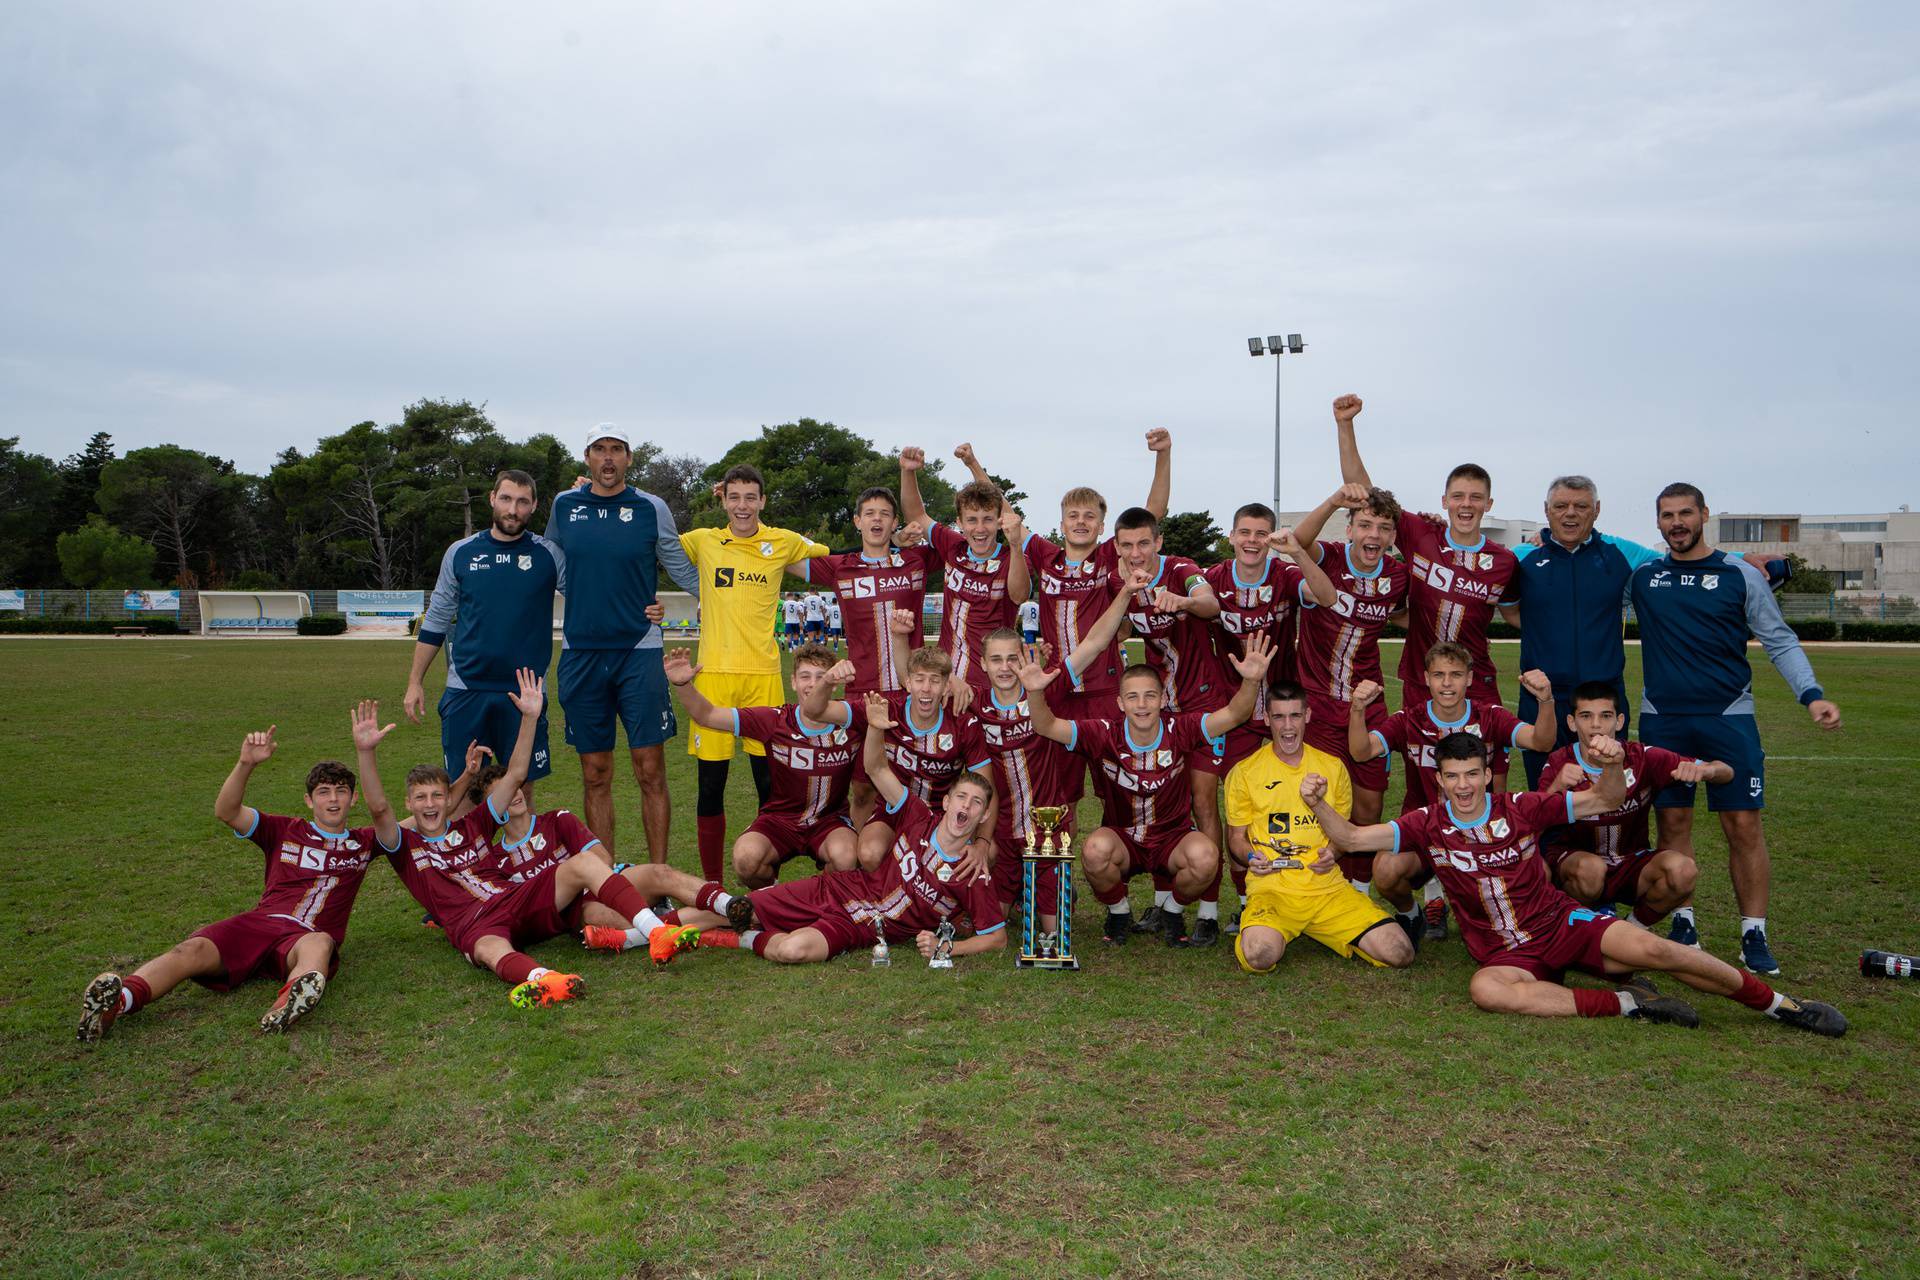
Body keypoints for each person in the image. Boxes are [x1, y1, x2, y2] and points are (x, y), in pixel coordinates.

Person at [1312, 733, 1846, 1035]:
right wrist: (1317, 806)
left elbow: (1602, 800)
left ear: (1485, 772)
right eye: (1452, 776)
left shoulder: (1519, 806)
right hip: (1502, 954)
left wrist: (1611, 767)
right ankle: (1631, 1005)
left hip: (1559, 924)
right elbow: (1355, 839)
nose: (1464, 785)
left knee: (1661, 951)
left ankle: (1781, 1006)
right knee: (1485, 991)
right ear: (1440, 779)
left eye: (1472, 774)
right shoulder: (1428, 822)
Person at [78, 710, 399, 1043]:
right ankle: (117, 1003)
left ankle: (288, 1003)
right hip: (260, 924)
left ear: (353, 798)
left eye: (341, 791)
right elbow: (226, 811)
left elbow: (412, 819)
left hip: (304, 939)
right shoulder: (284, 829)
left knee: (321, 942)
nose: (333, 799)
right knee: (190, 949)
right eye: (324, 791)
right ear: (308, 800)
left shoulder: (365, 841)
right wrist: (246, 764)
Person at [1629, 483, 1843, 973]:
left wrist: (1811, 695)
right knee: (1674, 823)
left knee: (1743, 825)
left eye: (1686, 513)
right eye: (1667, 515)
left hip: (1729, 719)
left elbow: (1780, 640)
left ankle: (1754, 934)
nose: (1677, 522)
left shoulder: (1740, 576)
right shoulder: (1643, 576)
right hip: (1663, 719)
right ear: (1658, 522)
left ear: (1704, 515)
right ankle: (1683, 921)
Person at [665, 694, 1007, 966]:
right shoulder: (918, 815)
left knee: (792, 950)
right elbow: (875, 767)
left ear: (982, 816)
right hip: (837, 889)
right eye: (961, 797)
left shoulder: (970, 872)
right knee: (739, 908)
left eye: (976, 803)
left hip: (859, 926)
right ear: (945, 802)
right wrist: (874, 727)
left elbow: (996, 937)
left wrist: (946, 946)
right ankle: (648, 928)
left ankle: (738, 936)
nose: (966, 806)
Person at [1023, 633, 1275, 948]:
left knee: (1206, 857)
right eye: (1132, 697)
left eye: (1149, 696)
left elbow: (1234, 715)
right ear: (1120, 702)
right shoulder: (1103, 733)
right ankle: (1119, 911)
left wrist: (1251, 682)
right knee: (1093, 851)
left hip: (1172, 837)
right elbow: (1046, 725)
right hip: (1124, 839)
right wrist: (1034, 691)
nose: (1141, 705)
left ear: (1162, 699)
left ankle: (1172, 909)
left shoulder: (1180, 728)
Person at [546, 425, 701, 877]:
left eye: (616, 450)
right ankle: (605, 881)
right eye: (600, 450)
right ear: (588, 457)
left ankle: (660, 875)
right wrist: (589, 591)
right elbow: (550, 561)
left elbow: (681, 568)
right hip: (581, 653)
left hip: (639, 651)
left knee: (649, 770)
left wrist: (725, 602)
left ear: (630, 458)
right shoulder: (564, 505)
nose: (608, 458)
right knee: (595, 772)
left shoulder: (652, 508)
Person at [680, 463, 832, 885]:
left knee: (771, 787)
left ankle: (770, 882)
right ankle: (712, 886)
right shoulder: (703, 541)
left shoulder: (781, 541)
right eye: (734, 497)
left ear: (763, 501)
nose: (743, 506)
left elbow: (832, 559)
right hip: (712, 679)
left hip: (763, 679)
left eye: (751, 497)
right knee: (711, 787)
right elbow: (649, 546)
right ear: (722, 500)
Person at [1331, 394, 1518, 721]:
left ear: (1488, 504)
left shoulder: (1505, 562)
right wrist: (1345, 425)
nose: (1466, 504)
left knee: (1488, 771)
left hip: (1476, 681)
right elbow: (1363, 492)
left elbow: (1517, 615)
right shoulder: (1420, 533)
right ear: (1444, 500)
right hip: (1421, 678)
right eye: (1458, 496)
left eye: (1476, 498)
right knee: (1423, 768)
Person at [973, 576, 1141, 939]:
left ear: (1025, 657)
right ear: (982, 664)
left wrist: (1125, 593)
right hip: (1000, 833)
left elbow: (1094, 643)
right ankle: (1015, 890)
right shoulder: (974, 703)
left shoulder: (1048, 688)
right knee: (986, 925)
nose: (1005, 668)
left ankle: (1045, 888)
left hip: (1047, 829)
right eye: (996, 660)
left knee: (1053, 932)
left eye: (1012, 658)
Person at [1202, 511, 1339, 930]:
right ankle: (1240, 901)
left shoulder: (1284, 573)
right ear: (1231, 537)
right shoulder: (1214, 578)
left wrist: (1298, 550)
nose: (1252, 540)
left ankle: (1315, 887)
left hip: (1281, 710)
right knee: (1235, 813)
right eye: (1245, 532)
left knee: (1295, 800)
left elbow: (1328, 596)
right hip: (1233, 711)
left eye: (1262, 533)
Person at [1225, 681, 1414, 974]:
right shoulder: (1245, 772)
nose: (1288, 726)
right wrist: (1251, 858)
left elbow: (1343, 834)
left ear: (1308, 716)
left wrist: (1334, 852)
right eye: (1278, 717)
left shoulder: (1332, 767)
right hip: (1273, 889)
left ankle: (1329, 928)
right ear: (1266, 719)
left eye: (1295, 716)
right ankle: (1261, 925)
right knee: (1259, 955)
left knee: (1399, 952)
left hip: (1327, 889)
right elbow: (1236, 839)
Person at [1497, 475, 1666, 787]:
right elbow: (1509, 609)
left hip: (1602, 701)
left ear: (1597, 509)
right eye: (1561, 506)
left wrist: (1744, 559)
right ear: (1546, 510)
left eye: (1581, 506)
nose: (1570, 513)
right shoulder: (1522, 557)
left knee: (1608, 795)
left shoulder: (1620, 553)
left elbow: (1681, 561)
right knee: (1547, 793)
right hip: (1541, 699)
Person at [405, 469, 564, 789]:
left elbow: (592, 598)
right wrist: (415, 682)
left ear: (533, 506)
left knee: (520, 795)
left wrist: (646, 606)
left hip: (526, 696)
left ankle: (518, 843)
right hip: (467, 690)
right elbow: (436, 621)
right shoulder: (460, 552)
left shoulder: (548, 555)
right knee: (463, 791)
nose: (512, 509)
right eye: (505, 498)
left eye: (522, 502)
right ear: (492, 499)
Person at [664, 644, 867, 890]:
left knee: (847, 857)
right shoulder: (775, 720)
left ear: (834, 684)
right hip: (779, 820)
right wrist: (683, 685)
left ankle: (817, 898)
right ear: (793, 682)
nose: (812, 684)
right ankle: (773, 895)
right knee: (746, 859)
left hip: (829, 822)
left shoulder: (851, 720)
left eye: (821, 677)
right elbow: (707, 715)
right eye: (805, 676)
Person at [793, 486, 939, 825]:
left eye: (885, 514)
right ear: (857, 521)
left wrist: (908, 539)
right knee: (862, 788)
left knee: (915, 782)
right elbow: (784, 558)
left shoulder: (916, 559)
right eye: (869, 514)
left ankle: (910, 857)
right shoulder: (839, 567)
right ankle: (861, 867)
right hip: (862, 694)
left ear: (894, 522)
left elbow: (958, 546)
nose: (877, 519)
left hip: (912, 692)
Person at [1293, 482, 1410, 885]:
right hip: (1320, 705)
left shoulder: (1397, 576)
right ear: (1349, 529)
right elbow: (1299, 540)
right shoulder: (1329, 557)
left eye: (1383, 527)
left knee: (1368, 804)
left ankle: (1358, 888)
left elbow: (1404, 614)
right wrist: (1331, 501)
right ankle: (1319, 884)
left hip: (1368, 704)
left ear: (1393, 535)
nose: (1373, 535)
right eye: (1364, 525)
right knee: (1320, 801)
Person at [1533, 682, 1712, 931]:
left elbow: (1725, 771)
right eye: (1586, 716)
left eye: (1605, 716)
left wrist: (1704, 770)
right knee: (1591, 870)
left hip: (1629, 861)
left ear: (1619, 721)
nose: (1596, 725)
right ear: (1572, 723)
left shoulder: (1641, 757)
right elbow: (1532, 822)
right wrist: (1556, 787)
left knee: (1683, 870)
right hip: (1578, 866)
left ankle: (1634, 927)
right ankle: (1579, 922)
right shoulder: (1559, 762)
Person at [898, 449, 1030, 700]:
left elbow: (1020, 594)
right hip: (948, 680)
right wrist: (907, 471)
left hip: (991, 684)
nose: (980, 529)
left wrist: (1015, 545)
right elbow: (916, 515)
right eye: (972, 520)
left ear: (999, 521)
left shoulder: (1010, 557)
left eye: (988, 520)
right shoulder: (953, 546)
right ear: (959, 522)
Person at [859, 631, 994, 873]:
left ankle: (949, 905)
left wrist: (982, 843)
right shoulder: (886, 709)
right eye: (920, 679)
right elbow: (831, 712)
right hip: (894, 808)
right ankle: (884, 900)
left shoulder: (963, 723)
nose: (926, 688)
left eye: (935, 680)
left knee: (990, 852)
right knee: (869, 852)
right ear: (908, 683)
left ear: (946, 686)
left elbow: (984, 788)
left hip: (944, 813)